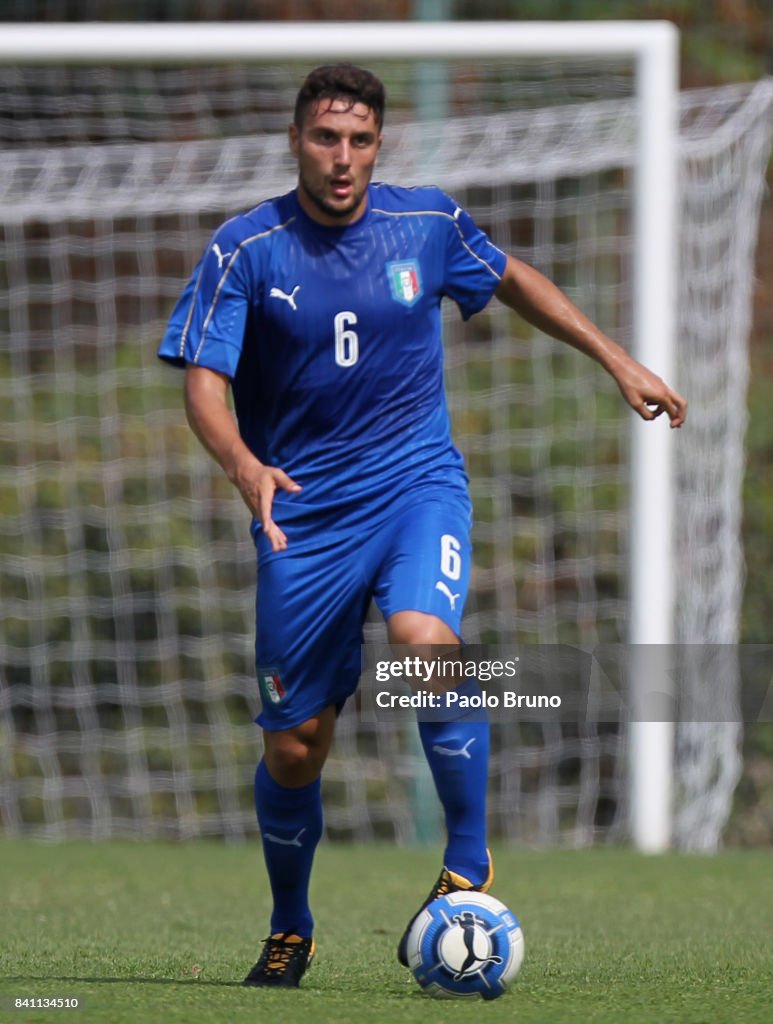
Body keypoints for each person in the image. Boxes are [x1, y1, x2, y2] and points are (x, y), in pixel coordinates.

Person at [158, 63, 686, 989]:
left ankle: (467, 861)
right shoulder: (247, 249)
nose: (342, 158)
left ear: (379, 144)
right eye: (326, 137)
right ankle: (291, 927)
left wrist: (618, 359)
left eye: (360, 139)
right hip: (304, 518)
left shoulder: (426, 223)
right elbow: (203, 378)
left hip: (416, 487)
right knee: (293, 744)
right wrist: (243, 466)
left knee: (424, 645)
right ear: (295, 140)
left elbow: (513, 276)